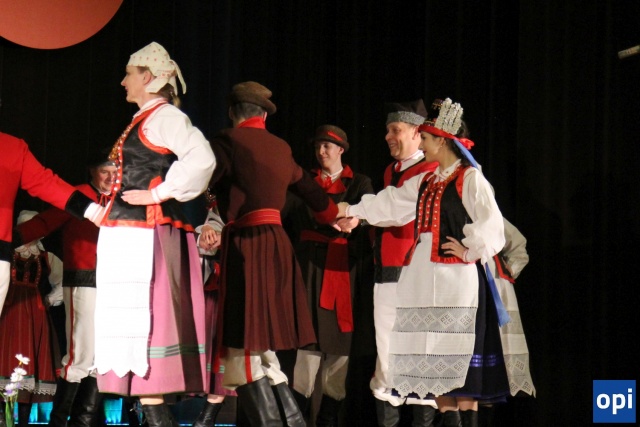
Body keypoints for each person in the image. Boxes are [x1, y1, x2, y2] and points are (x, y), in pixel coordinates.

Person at [336, 98, 510, 427]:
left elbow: (493, 226)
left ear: (442, 141)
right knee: (429, 369)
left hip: (454, 283)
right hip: (423, 281)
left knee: (453, 365)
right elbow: (392, 202)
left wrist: (468, 250)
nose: (422, 143)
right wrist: (349, 210)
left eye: (426, 138)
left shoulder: (468, 178)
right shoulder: (429, 181)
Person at [85, 41, 215, 427]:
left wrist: (158, 193)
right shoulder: (145, 118)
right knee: (139, 339)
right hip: (129, 232)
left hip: (145, 235)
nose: (123, 81)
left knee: (149, 324)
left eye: (129, 74)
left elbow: (202, 158)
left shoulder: (164, 117)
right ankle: (155, 415)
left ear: (147, 77)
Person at [207, 81, 338, 426]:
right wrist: (334, 215)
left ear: (233, 112)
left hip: (247, 245)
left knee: (243, 344)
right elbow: (310, 190)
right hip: (278, 245)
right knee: (262, 346)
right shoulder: (281, 147)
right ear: (264, 115)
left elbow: (201, 178)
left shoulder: (228, 141)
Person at [15, 149, 117, 427]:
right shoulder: (79, 195)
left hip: (115, 284)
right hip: (83, 280)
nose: (111, 177)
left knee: (102, 356)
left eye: (115, 171)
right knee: (80, 354)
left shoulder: (123, 199)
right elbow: (46, 221)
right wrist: (11, 239)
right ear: (92, 171)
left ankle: (84, 422)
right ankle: (59, 422)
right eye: (104, 171)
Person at [284, 125, 373, 425]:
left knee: (339, 342)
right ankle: (299, 415)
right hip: (310, 267)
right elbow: (291, 209)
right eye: (317, 146)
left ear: (341, 150)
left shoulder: (359, 182)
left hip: (343, 268)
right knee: (308, 341)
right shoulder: (305, 182)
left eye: (327, 146)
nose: (321, 152)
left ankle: (329, 418)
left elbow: (369, 210)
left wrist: (355, 220)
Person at [362, 100, 438, 427]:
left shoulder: (429, 169)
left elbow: (396, 211)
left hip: (413, 273)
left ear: (417, 133)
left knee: (419, 355)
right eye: (387, 130)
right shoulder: (391, 171)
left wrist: (354, 214)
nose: (387, 136)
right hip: (387, 271)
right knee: (387, 356)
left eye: (395, 130)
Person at [0, 131, 95, 317]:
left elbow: (42, 182)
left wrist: (94, 211)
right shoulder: (12, 147)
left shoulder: (11, 147)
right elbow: (45, 219)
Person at [0, 211, 63, 427]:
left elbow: (63, 281)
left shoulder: (46, 257)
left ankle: (24, 422)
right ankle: (3, 418)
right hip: (8, 310)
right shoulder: (7, 253)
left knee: (29, 362)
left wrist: (49, 299)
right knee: (5, 361)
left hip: (34, 314)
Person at [190, 193, 235, 427]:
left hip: (237, 286)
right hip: (208, 284)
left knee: (227, 353)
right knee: (206, 348)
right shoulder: (210, 204)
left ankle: (206, 418)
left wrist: (223, 236)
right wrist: (206, 231)